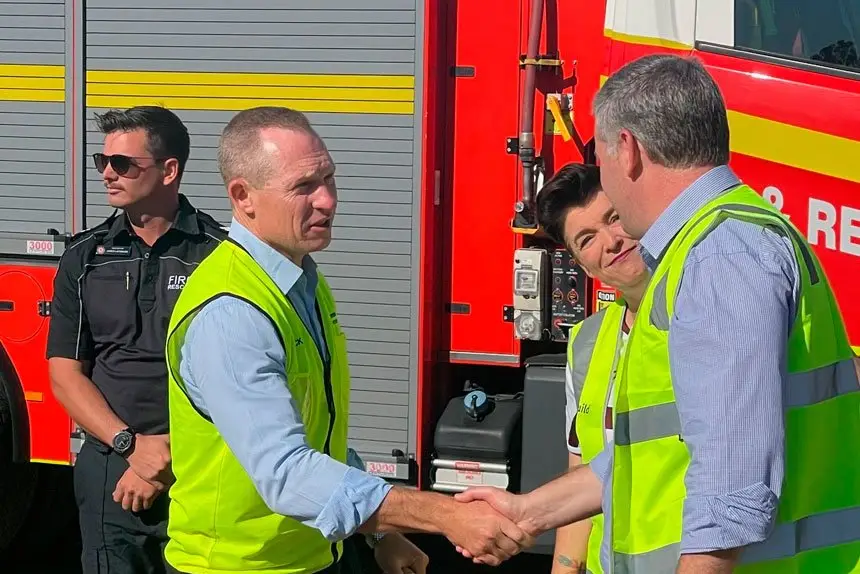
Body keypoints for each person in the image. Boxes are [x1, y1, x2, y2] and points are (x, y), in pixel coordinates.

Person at [455, 54, 860, 573]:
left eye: (599, 156)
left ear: (627, 151)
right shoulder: (718, 243)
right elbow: (657, 449)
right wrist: (529, 512)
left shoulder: (718, 255)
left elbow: (730, 493)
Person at [162, 106, 533, 574]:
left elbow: (321, 439)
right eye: (304, 187)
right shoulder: (233, 313)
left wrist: (382, 531)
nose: (328, 201)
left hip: (306, 559)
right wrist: (446, 515)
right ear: (243, 196)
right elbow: (287, 473)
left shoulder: (299, 280)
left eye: (329, 179)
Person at [47, 106, 228, 573]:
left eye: (123, 163)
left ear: (170, 170)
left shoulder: (221, 256)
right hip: (111, 469)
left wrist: (167, 454)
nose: (108, 173)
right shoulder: (85, 258)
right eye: (102, 161)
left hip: (201, 469)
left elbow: (242, 377)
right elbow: (65, 373)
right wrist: (132, 446)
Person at [535, 163, 650, 574]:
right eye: (587, 239)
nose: (611, 241)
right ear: (583, 266)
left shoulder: (703, 316)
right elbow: (583, 474)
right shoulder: (586, 343)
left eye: (614, 217)